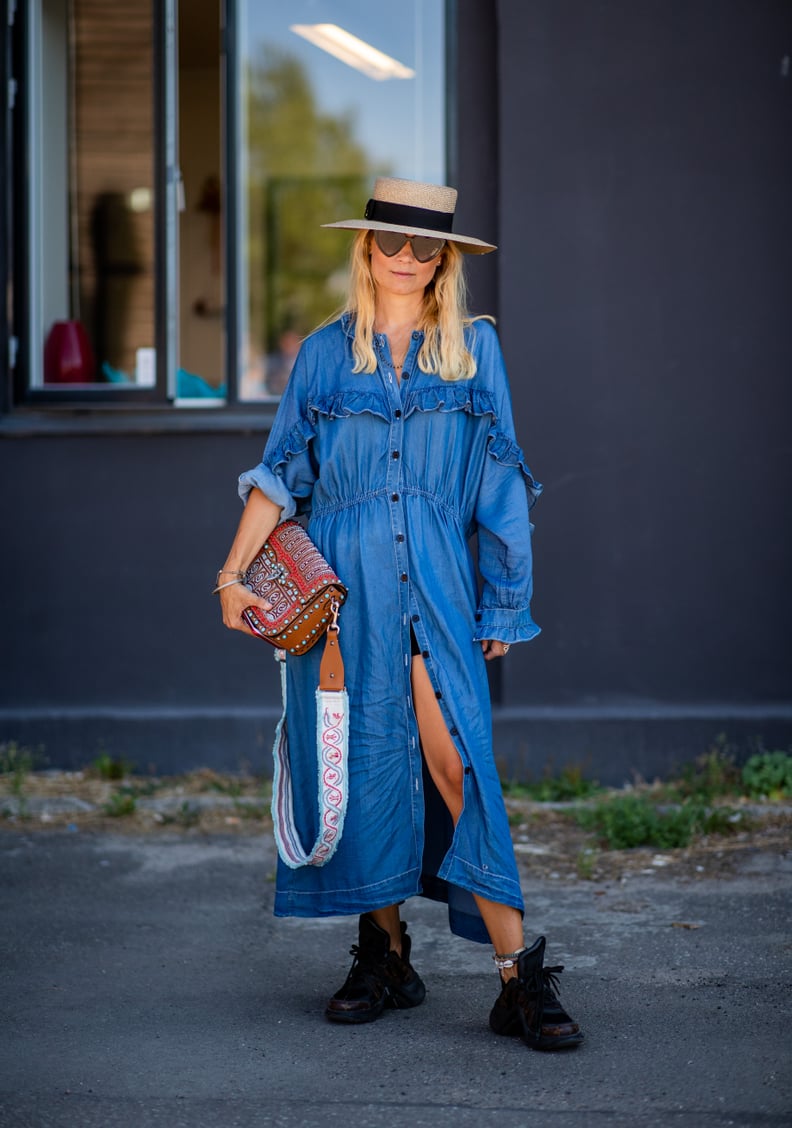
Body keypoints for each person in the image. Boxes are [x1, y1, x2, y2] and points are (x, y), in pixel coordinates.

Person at [217, 177, 583, 1051]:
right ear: (367, 250)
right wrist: (231, 574)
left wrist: (507, 595)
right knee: (362, 763)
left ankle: (516, 977)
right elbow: (278, 476)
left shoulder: (472, 352)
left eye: (426, 248)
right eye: (392, 243)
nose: (407, 260)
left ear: (445, 259)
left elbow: (500, 485)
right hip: (346, 598)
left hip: (438, 589)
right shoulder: (320, 355)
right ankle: (383, 953)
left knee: (457, 765)